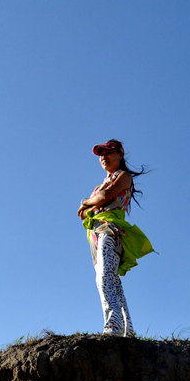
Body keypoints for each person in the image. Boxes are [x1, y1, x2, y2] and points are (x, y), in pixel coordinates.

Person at [77, 139, 153, 336]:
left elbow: (105, 197)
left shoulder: (124, 176)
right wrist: (91, 205)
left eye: (108, 152)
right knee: (110, 278)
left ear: (120, 154)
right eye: (101, 154)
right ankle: (128, 329)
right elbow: (82, 214)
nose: (104, 157)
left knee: (105, 276)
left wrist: (87, 202)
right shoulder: (99, 185)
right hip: (95, 233)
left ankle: (113, 326)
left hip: (111, 230)